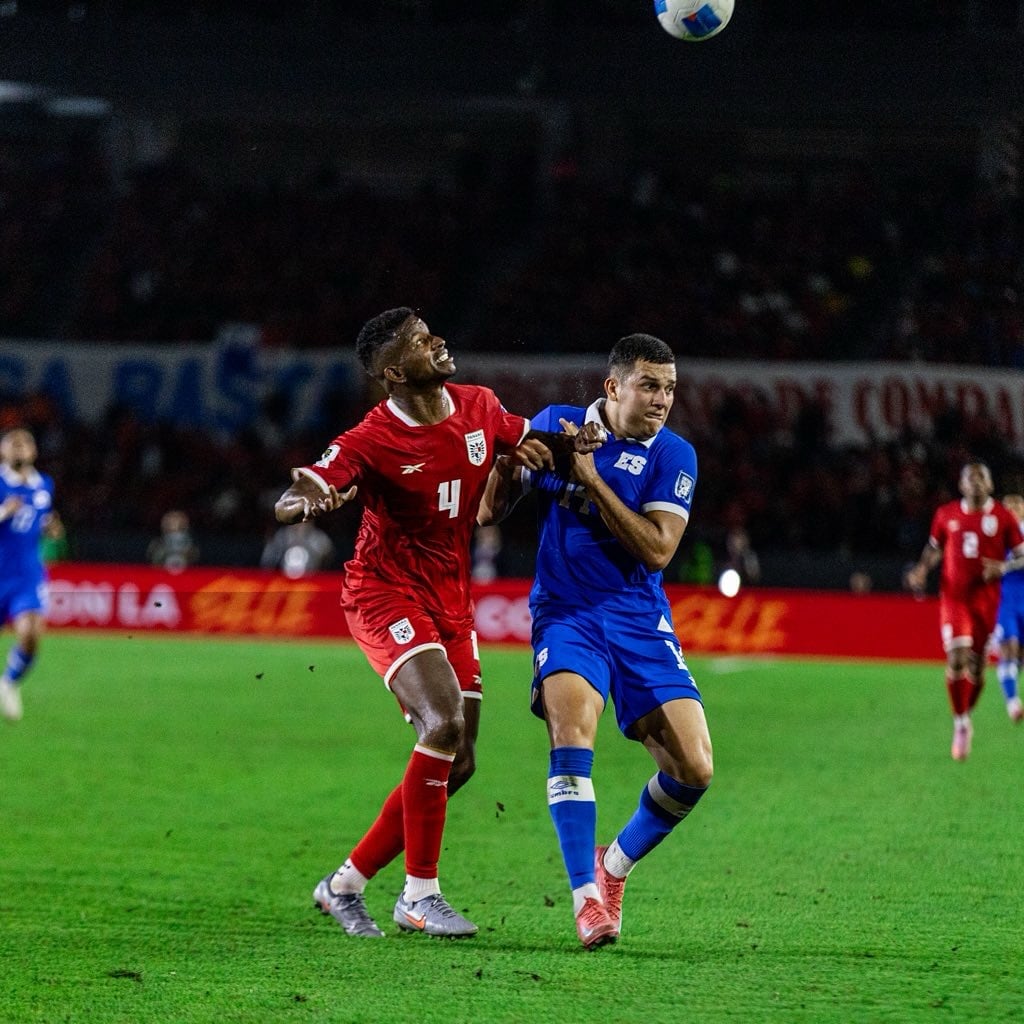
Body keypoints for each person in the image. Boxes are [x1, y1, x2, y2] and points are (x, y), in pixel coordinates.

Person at [274, 307, 593, 940]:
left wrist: (570, 443)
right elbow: (315, 480)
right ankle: (420, 895)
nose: (438, 341)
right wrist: (303, 498)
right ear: (395, 371)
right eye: (421, 342)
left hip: (450, 598)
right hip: (385, 593)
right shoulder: (370, 438)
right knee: (441, 722)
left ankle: (344, 885)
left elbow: (526, 440)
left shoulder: (478, 405)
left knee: (461, 760)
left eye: (431, 331)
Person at [478, 333, 712, 950]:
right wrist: (510, 466)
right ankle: (586, 901)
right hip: (567, 613)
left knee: (693, 769)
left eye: (669, 388)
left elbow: (658, 548)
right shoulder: (555, 423)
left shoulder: (674, 454)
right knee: (572, 735)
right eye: (649, 385)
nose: (662, 399)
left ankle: (613, 868)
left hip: (639, 618)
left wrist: (587, 477)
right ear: (613, 387)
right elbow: (486, 513)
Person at [905, 463, 1024, 761]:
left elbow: (1022, 556)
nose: (975, 483)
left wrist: (1003, 567)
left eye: (981, 477)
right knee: (956, 656)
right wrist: (921, 570)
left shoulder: (1002, 517)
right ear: (961, 486)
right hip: (954, 599)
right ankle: (960, 723)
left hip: (987, 600)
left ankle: (966, 712)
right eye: (969, 479)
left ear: (990, 484)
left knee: (977, 666)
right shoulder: (946, 515)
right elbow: (934, 548)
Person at [0, 427, 58, 722]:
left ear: (34, 451)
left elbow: (40, 520)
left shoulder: (44, 485)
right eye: (14, 443)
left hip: (26, 575)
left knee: (32, 635)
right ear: (3, 452)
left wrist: (50, 527)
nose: (20, 448)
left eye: (26, 443)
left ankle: (8, 682)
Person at [994, 493, 1024, 723]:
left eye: (1017, 505)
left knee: (1020, 654)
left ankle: (1011, 681)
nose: (1013, 509)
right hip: (1005, 601)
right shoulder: (994, 535)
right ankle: (1012, 702)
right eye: (1008, 506)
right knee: (1009, 647)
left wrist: (1005, 566)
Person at [260, 520, 335, 578]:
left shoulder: (319, 538)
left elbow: (328, 562)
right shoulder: (281, 536)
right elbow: (268, 561)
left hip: (311, 582)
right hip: (284, 582)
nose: (300, 524)